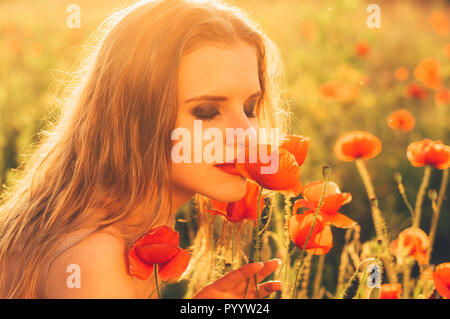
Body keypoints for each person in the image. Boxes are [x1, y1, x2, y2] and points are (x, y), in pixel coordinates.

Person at [0, 0, 288, 298]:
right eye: (206, 111)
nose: (246, 135)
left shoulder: (115, 226)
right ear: (133, 119)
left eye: (250, 107)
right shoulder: (95, 258)